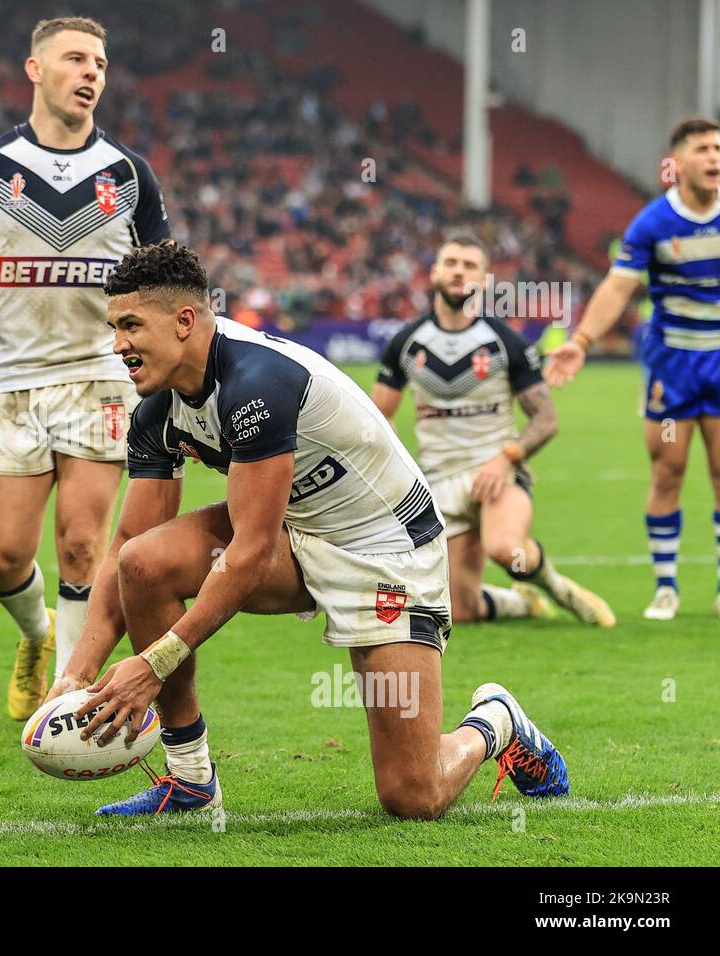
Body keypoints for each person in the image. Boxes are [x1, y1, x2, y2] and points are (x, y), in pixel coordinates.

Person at [49, 242, 569, 817]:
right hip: (295, 530)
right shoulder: (155, 409)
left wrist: (155, 663)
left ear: (184, 321)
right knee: (144, 563)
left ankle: (496, 721)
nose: (117, 344)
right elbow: (126, 544)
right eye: (113, 327)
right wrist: (78, 673)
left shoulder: (256, 385)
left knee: (413, 795)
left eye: (129, 325)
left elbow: (245, 556)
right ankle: (191, 779)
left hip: (387, 550)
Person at [0, 17, 169, 719]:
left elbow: (165, 278)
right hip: (14, 385)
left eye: (100, 62)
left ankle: (63, 698)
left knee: (84, 545)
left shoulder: (127, 174)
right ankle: (37, 632)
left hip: (100, 378)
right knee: (1, 557)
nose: (92, 72)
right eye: (75, 59)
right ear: (35, 70)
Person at [370, 233, 614, 627]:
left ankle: (559, 588)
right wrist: (403, 479)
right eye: (451, 263)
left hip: (498, 474)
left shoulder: (505, 342)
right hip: (438, 485)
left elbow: (546, 419)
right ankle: (523, 603)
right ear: (434, 273)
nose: (458, 272)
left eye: (470, 266)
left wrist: (506, 459)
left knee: (506, 549)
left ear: (484, 280)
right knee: (460, 612)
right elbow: (376, 423)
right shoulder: (405, 343)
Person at [547, 117, 720, 621]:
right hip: (672, 370)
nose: (714, 157)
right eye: (703, 149)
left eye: (718, 148)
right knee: (668, 470)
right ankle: (666, 586)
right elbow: (618, 286)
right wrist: (581, 341)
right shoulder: (653, 223)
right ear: (678, 162)